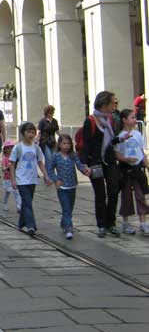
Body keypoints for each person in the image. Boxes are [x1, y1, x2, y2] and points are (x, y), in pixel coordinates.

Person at [80, 90, 122, 238]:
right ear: (104, 104)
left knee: (113, 190)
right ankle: (102, 224)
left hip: (109, 160)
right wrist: (85, 164)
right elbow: (86, 145)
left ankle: (111, 223)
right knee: (100, 194)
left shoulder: (111, 119)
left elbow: (110, 140)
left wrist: (121, 139)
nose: (115, 105)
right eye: (113, 103)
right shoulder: (90, 121)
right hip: (95, 162)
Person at [10, 121, 52, 235]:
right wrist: (13, 180)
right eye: (29, 132)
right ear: (23, 133)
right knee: (28, 202)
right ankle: (31, 226)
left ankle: (21, 223)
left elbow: (40, 163)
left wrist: (46, 176)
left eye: (33, 132)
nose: (31, 134)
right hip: (21, 179)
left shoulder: (36, 148)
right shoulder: (18, 148)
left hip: (32, 179)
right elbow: (12, 164)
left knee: (26, 202)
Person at [47, 134, 90, 239]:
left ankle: (64, 222)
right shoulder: (56, 156)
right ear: (59, 144)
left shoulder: (73, 155)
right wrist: (55, 180)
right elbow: (50, 169)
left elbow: (79, 165)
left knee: (69, 208)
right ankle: (69, 228)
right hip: (61, 187)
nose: (66, 146)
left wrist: (85, 170)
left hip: (72, 185)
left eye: (68, 144)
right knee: (66, 208)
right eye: (64, 143)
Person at [114, 108, 149, 235]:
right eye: (132, 117)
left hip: (138, 169)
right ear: (124, 120)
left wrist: (147, 166)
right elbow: (117, 154)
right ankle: (125, 223)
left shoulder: (138, 135)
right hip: (125, 169)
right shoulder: (120, 136)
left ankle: (143, 223)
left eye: (135, 117)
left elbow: (142, 153)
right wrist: (126, 159)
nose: (135, 120)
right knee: (126, 196)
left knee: (141, 196)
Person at [1, 140, 20, 213]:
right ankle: (5, 203)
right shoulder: (5, 158)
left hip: (15, 178)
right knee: (7, 192)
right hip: (7, 179)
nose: (10, 150)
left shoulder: (16, 158)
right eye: (7, 148)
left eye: (11, 148)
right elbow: (3, 167)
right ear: (5, 150)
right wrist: (6, 168)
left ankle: (19, 206)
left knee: (16, 192)